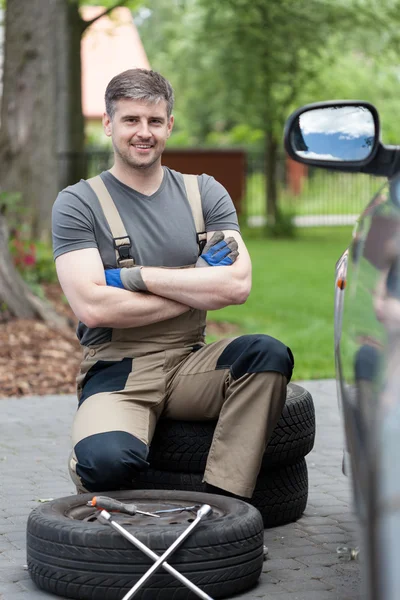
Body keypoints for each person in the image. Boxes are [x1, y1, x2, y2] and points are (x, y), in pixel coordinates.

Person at [52, 68, 294, 499]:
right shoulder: (78, 203)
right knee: (106, 461)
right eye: (131, 120)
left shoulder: (205, 194)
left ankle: (225, 506)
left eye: (155, 121)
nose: (143, 133)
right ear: (109, 124)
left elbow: (236, 286)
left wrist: (133, 277)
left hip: (190, 365)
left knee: (266, 354)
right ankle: (91, 458)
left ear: (169, 125)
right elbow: (94, 307)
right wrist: (198, 278)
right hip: (118, 369)